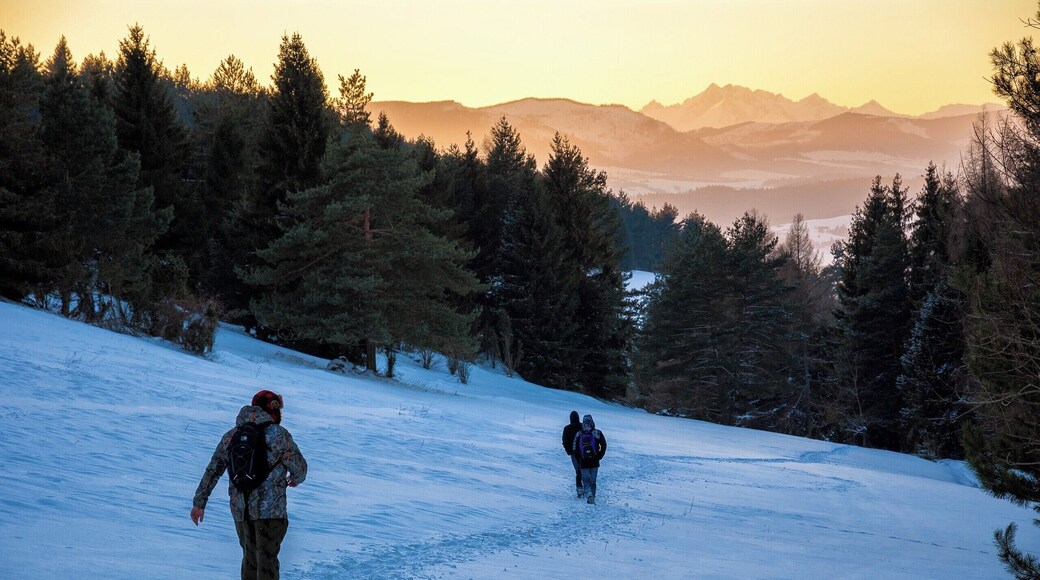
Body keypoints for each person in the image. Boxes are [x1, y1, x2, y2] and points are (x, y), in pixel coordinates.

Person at [191, 390, 308, 580]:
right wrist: (295, 478)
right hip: (271, 512)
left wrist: (199, 503)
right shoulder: (278, 435)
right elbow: (300, 468)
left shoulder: (231, 436)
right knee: (267, 563)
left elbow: (213, 470)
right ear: (273, 410)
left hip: (241, 512)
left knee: (250, 561)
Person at [572, 414, 607, 504]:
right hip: (595, 461)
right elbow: (604, 445)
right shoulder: (597, 432)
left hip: (583, 462)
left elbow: (574, 448)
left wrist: (579, 458)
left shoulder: (579, 433)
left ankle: (589, 495)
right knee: (593, 481)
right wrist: (599, 456)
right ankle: (593, 496)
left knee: (585, 480)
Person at [562, 411, 584, 497]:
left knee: (578, 470)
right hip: (584, 452)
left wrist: (569, 451)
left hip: (573, 453)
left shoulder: (567, 428)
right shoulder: (582, 426)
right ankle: (586, 486)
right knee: (584, 469)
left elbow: (565, 441)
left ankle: (580, 488)